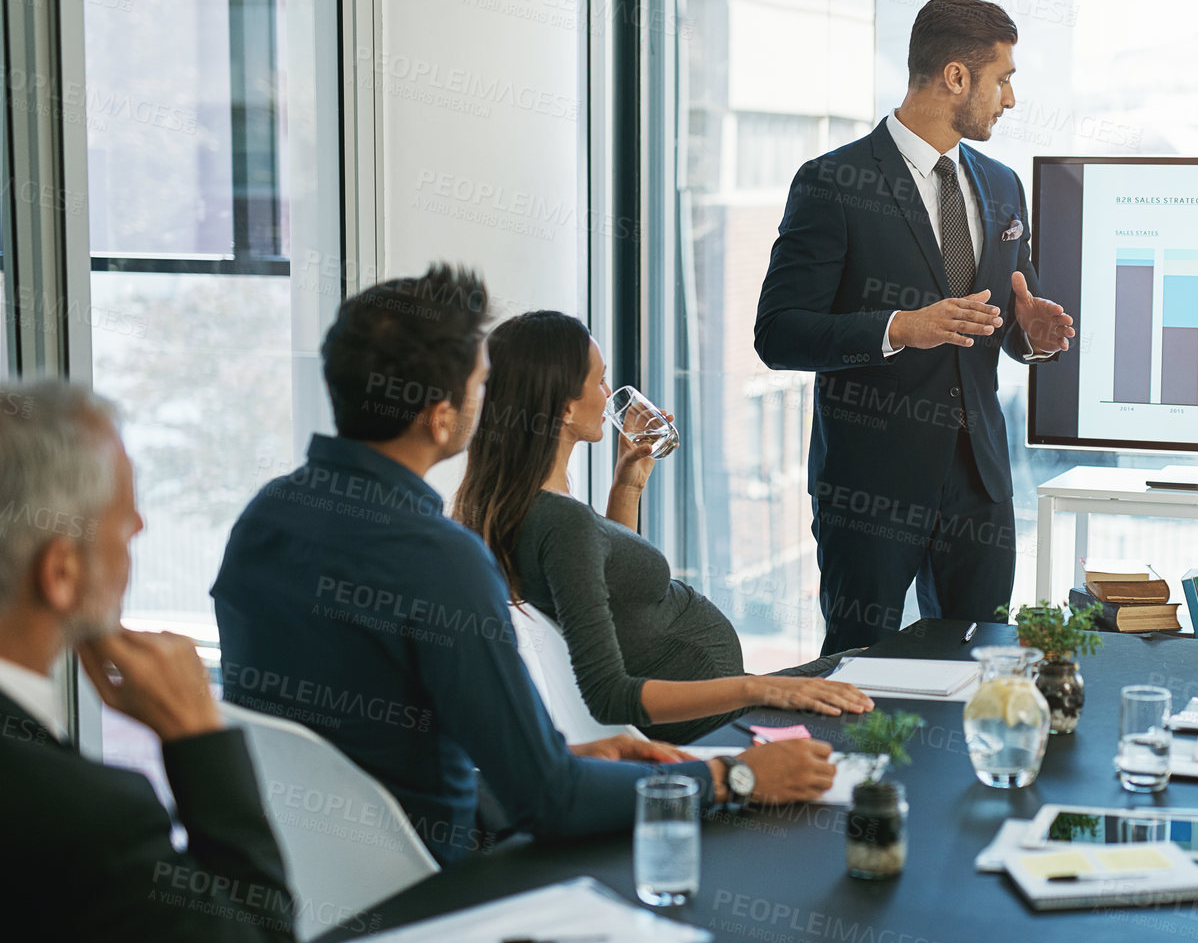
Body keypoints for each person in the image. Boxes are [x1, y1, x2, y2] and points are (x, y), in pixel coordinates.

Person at [214, 264, 834, 868]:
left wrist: (570, 755)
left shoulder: (264, 520)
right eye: (481, 387)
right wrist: (735, 776)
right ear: (439, 418)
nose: (491, 404)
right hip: (434, 877)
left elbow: (365, 747)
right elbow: (549, 802)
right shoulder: (440, 562)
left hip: (311, 864)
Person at [755, 0, 1076, 655]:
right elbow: (778, 332)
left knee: (982, 663)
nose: (1009, 100)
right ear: (955, 77)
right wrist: (899, 327)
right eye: (1003, 79)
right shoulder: (832, 181)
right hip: (871, 489)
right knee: (859, 671)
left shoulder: (1002, 185)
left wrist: (1032, 337)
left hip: (980, 484)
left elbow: (1011, 315)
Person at [452, 309, 875, 744]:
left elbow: (616, 592)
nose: (608, 394)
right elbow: (608, 695)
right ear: (564, 406)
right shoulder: (560, 522)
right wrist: (760, 687)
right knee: (879, 679)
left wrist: (628, 485)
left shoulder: (530, 508)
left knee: (872, 663)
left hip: (723, 700)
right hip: (712, 721)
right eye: (599, 380)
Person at [0, 380, 300, 943]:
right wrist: (196, 736)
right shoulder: (90, 822)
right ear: (61, 572)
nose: (139, 525)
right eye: (124, 516)